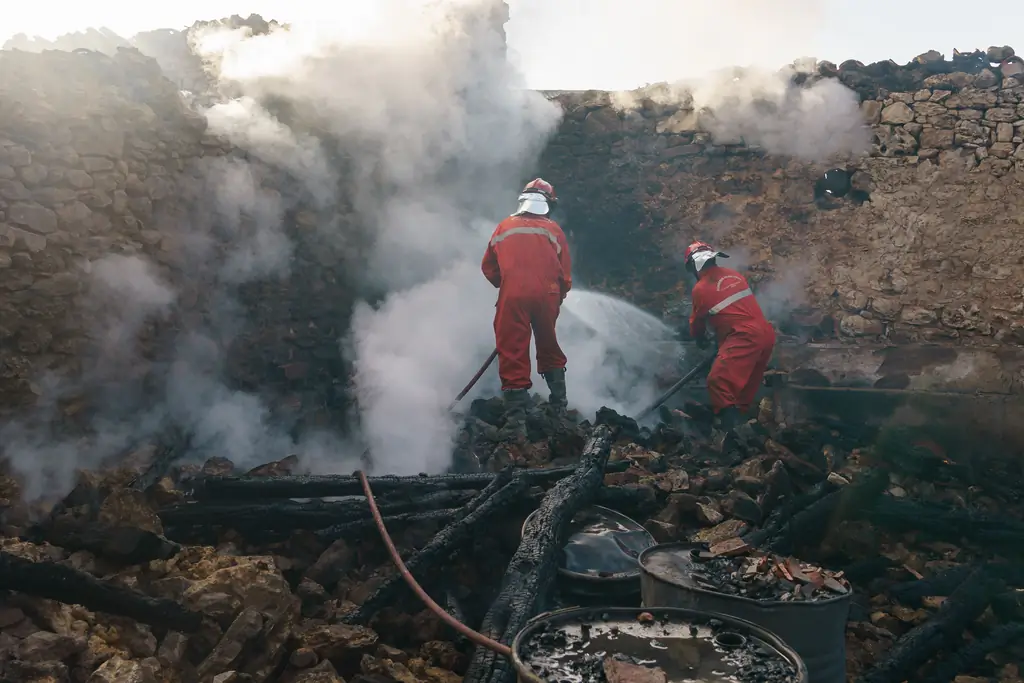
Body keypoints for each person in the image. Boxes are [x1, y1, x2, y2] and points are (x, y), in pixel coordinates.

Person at [481, 178, 572, 435]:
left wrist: (509, 285)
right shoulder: (554, 231)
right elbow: (564, 274)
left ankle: (516, 423)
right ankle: (559, 410)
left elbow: (488, 267)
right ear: (548, 204)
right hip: (548, 295)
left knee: (512, 351)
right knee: (548, 345)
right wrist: (557, 295)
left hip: (514, 296)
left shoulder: (504, 227)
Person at [684, 241, 776, 431]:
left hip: (743, 336)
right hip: (765, 334)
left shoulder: (700, 288)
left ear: (693, 266)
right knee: (743, 389)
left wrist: (700, 340)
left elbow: (697, 323)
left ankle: (729, 431)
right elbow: (734, 310)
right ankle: (746, 431)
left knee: (717, 381)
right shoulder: (734, 275)